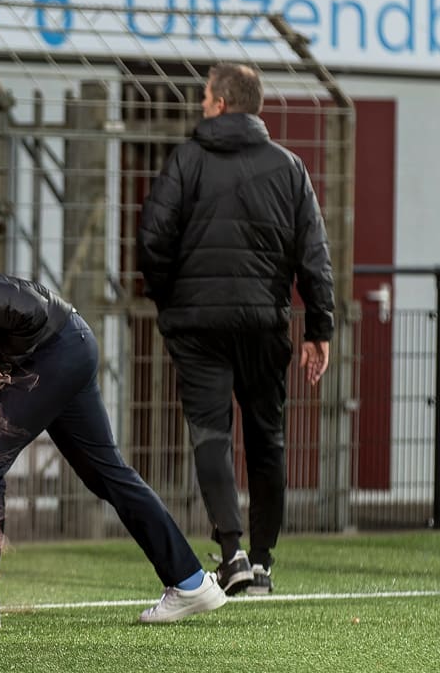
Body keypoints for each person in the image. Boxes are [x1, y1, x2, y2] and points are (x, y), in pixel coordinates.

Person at [0, 270, 226, 628]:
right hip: (66, 344)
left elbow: (18, 318)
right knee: (107, 475)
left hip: (52, 351)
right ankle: (191, 581)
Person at [136, 62, 335, 597]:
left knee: (211, 433)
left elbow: (152, 238)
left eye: (205, 97)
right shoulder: (289, 168)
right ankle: (265, 563)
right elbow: (313, 257)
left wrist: (170, 300)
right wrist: (320, 328)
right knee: (267, 438)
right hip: (264, 322)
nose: (201, 105)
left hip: (197, 324)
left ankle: (233, 553)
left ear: (221, 103)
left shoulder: (187, 160)